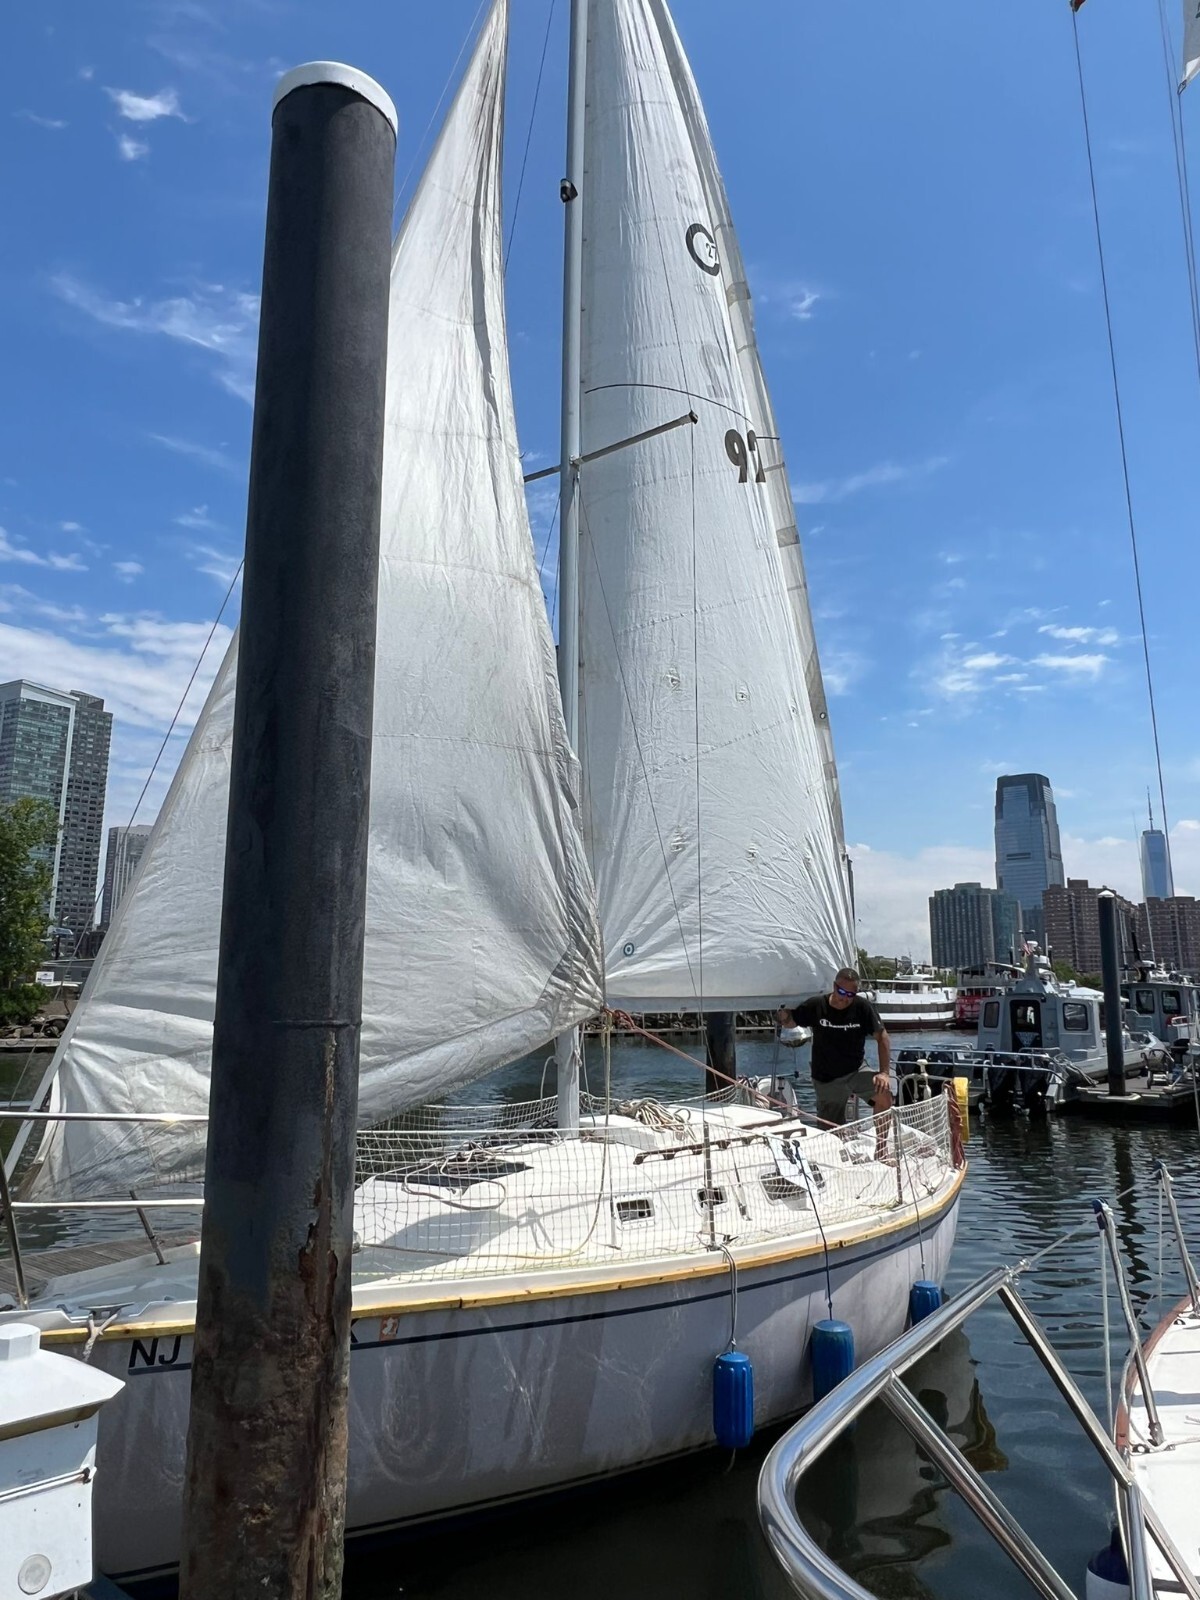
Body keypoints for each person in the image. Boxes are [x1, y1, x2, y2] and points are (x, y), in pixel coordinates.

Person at [776, 966, 893, 1132]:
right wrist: (782, 1014)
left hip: (856, 1070)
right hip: (827, 1078)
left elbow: (883, 1037)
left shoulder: (863, 1007)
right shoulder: (816, 1005)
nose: (844, 998)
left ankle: (881, 1151)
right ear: (834, 986)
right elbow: (791, 1021)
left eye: (850, 995)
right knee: (830, 1130)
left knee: (884, 1094)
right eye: (841, 992)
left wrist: (884, 1073)